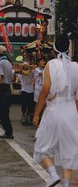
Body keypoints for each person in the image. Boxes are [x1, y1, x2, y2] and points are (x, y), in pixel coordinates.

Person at [33, 33, 78, 187]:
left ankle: (52, 174)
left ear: (54, 49)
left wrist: (37, 113)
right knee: (70, 150)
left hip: (55, 108)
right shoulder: (75, 66)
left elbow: (45, 91)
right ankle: (66, 184)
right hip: (71, 110)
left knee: (42, 145)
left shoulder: (51, 64)